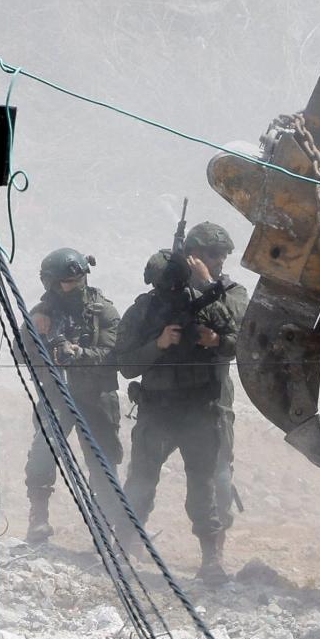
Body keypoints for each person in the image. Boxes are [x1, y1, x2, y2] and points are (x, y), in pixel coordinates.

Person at [113, 249, 238, 584]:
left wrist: (216, 340)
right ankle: (125, 546)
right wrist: (159, 344)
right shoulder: (142, 312)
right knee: (141, 482)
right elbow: (125, 365)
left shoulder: (207, 303)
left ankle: (212, 559)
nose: (170, 292)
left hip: (198, 411)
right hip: (157, 412)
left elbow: (238, 342)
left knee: (203, 486)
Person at [20, 248, 123, 544]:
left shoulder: (103, 311)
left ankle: (103, 528)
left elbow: (113, 355)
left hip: (96, 396)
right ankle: (38, 519)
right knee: (44, 450)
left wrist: (79, 354)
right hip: (57, 396)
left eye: (76, 280)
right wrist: (38, 334)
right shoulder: (43, 312)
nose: (72, 286)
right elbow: (19, 352)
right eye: (66, 282)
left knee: (102, 462)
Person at [183, 222, 248, 538]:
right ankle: (127, 544)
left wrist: (210, 285)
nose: (219, 260)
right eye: (211, 254)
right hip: (170, 395)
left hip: (213, 396)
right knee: (144, 475)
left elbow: (237, 332)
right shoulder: (172, 289)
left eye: (223, 255)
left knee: (219, 473)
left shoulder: (233, 292)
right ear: (192, 254)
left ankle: (215, 547)